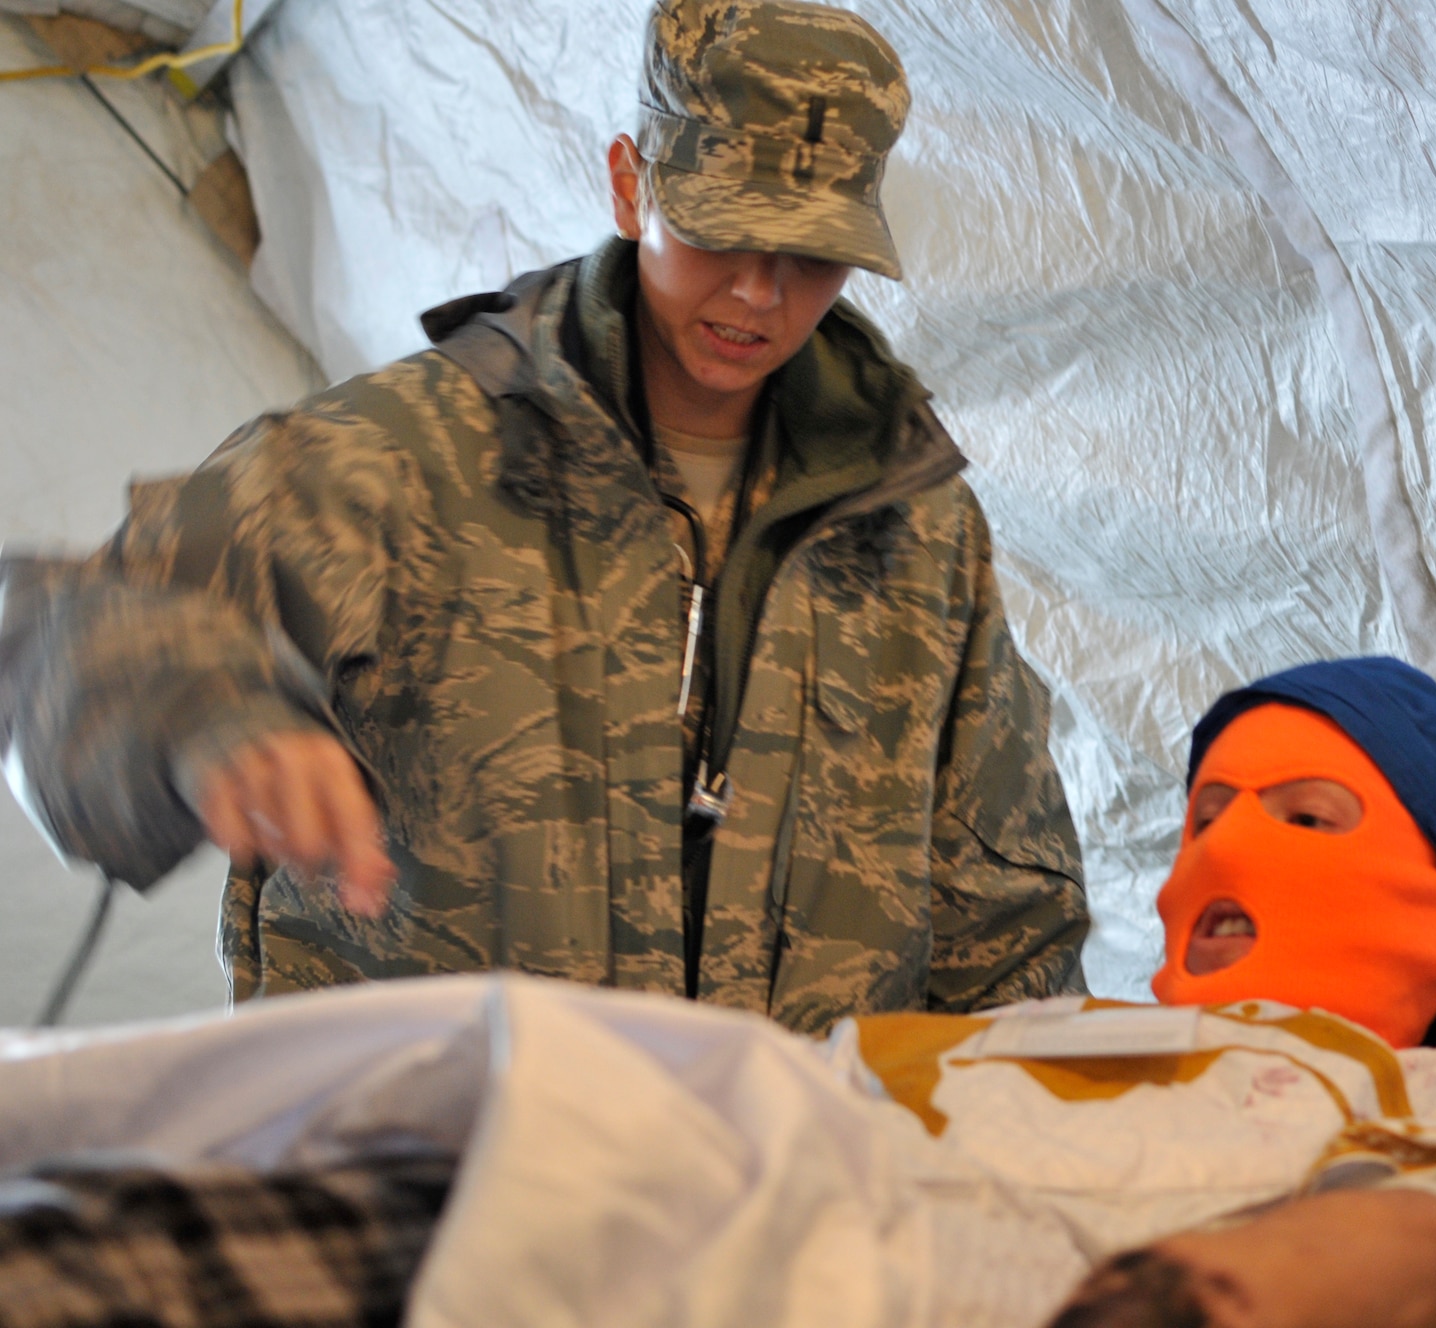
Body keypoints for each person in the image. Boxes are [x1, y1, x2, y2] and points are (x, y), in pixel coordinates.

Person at [0, 659, 1436, 1328]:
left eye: (1308, 817)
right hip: (617, 1169)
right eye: (1206, 811)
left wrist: (1290, 1272)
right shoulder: (1033, 1027)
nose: (1221, 857)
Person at [0, 0, 1087, 1027]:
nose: (759, 292)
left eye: (810, 255)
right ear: (630, 183)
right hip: (447, 1175)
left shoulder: (912, 527)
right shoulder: (401, 459)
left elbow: (1000, 911)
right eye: (719, 230)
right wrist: (204, 717)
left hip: (797, 1185)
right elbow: (69, 625)